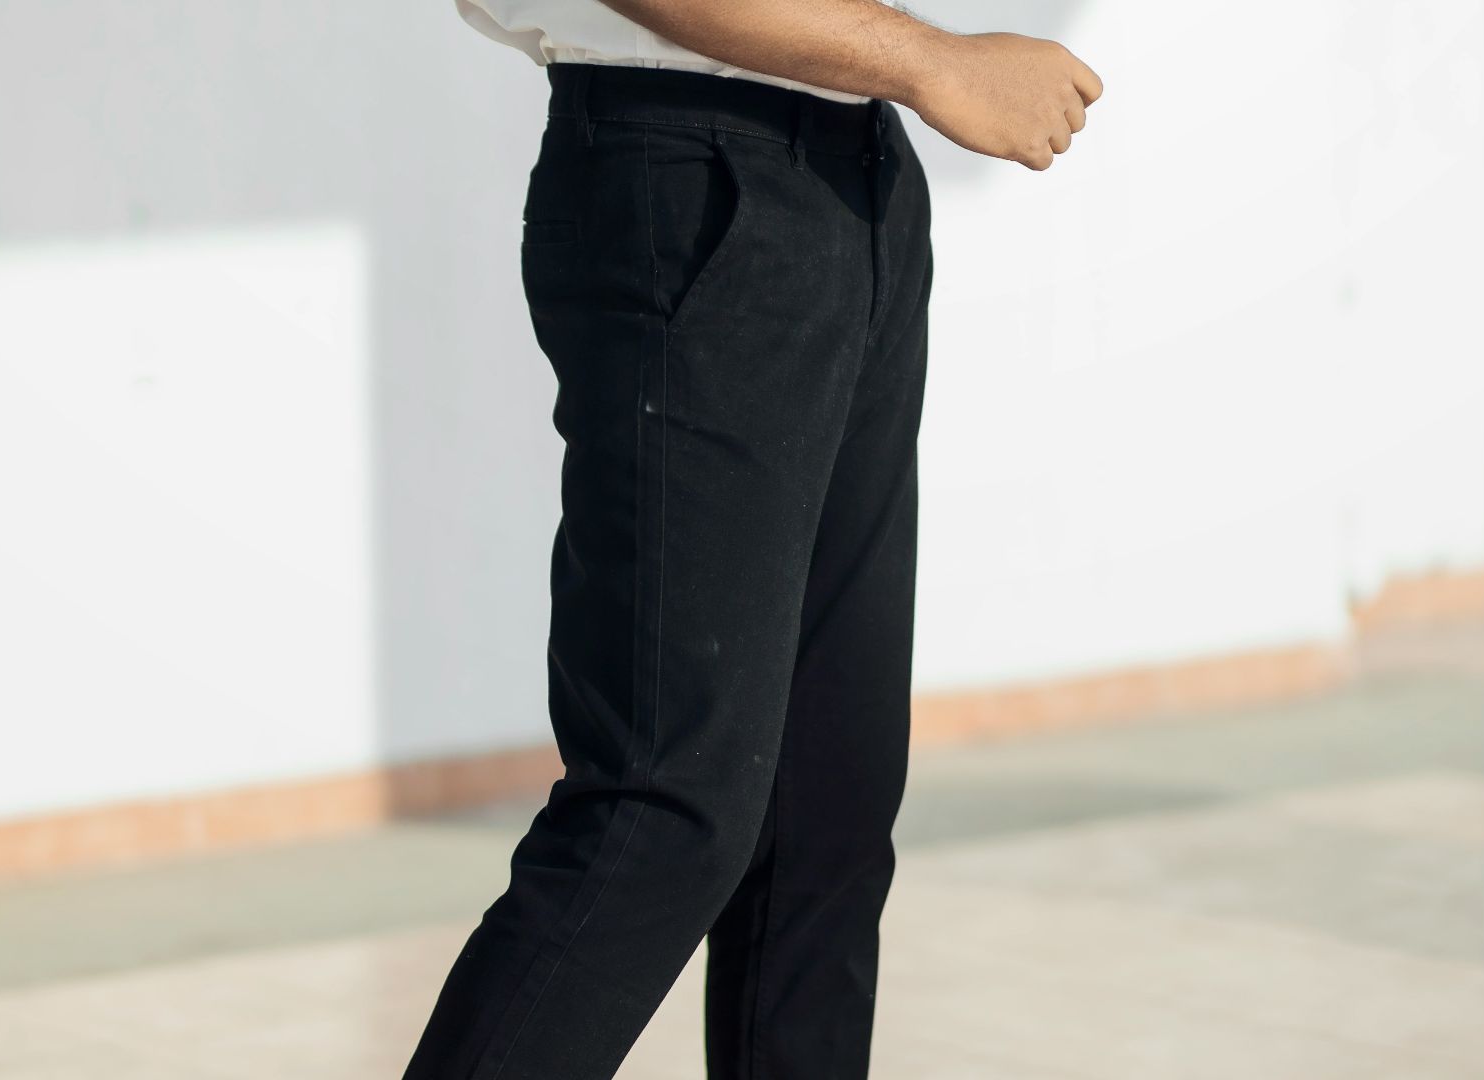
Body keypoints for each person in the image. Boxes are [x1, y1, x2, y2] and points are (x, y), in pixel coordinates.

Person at [403, 3, 1101, 1077]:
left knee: (825, 816)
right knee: (663, 812)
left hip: (851, 169)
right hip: (696, 169)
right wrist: (930, 60)